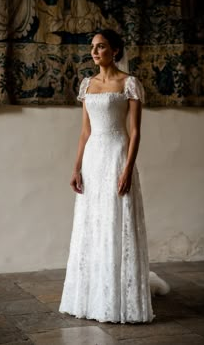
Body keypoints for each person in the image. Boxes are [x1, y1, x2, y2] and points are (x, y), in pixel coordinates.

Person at [59, 29, 170, 324]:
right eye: (93, 47)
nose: (95, 52)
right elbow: (85, 131)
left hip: (118, 154)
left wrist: (128, 169)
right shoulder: (87, 84)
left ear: (116, 50)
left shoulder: (129, 83)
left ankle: (121, 297)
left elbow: (135, 131)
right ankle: (94, 295)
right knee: (93, 222)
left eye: (102, 47)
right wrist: (76, 167)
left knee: (116, 219)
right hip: (94, 157)